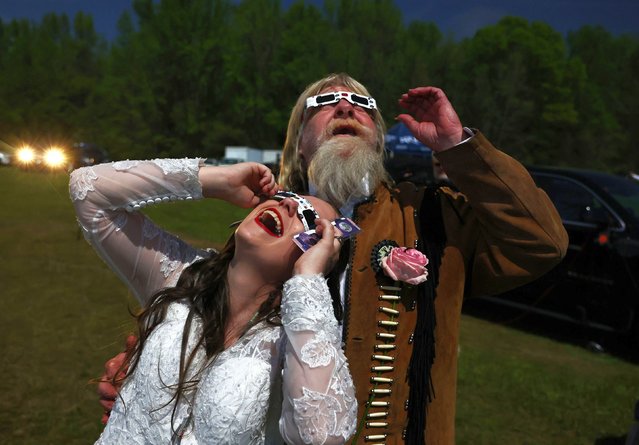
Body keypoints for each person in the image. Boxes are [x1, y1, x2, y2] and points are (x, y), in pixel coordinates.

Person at [97, 73, 568, 444]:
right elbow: (208, 321)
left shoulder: (431, 215)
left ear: (379, 139)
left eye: (363, 105)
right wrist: (152, 380)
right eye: (323, 105)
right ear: (299, 142)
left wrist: (458, 148)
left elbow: (542, 243)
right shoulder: (270, 223)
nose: (346, 108)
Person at [70, 159, 358, 444]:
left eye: (307, 216)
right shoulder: (179, 274)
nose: (289, 205)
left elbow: (322, 436)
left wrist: (307, 279)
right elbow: (88, 189)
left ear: (317, 253)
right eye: (286, 196)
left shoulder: (294, 343)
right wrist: (214, 181)